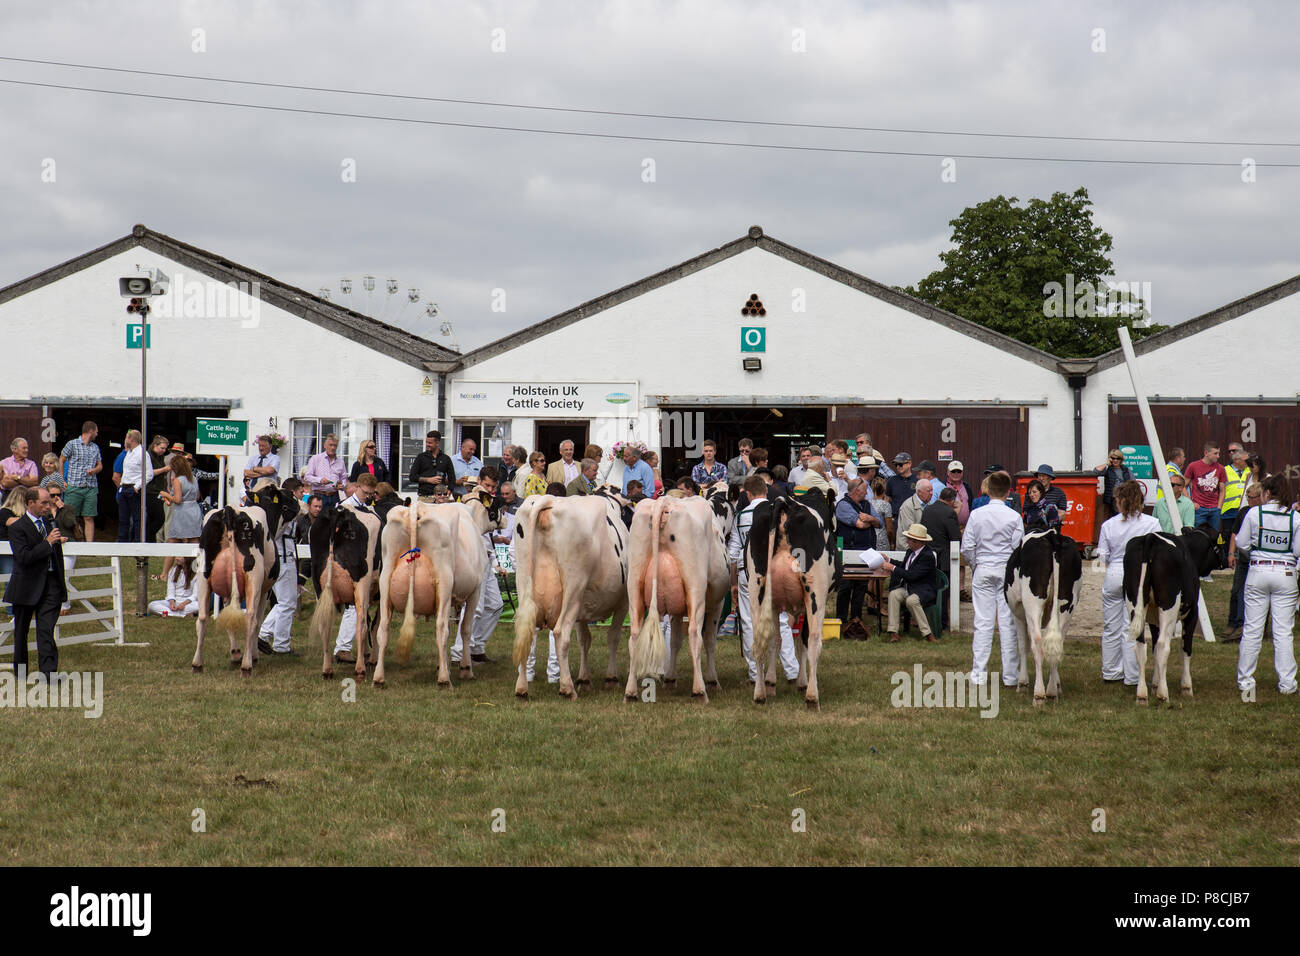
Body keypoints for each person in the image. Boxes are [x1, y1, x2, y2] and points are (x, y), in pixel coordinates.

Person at [1233, 473, 1300, 699]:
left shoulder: (1254, 513)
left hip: (1258, 571)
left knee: (1252, 629)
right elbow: (1298, 551)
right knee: (1283, 632)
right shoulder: (1295, 517)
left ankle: (1246, 682)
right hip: (1286, 573)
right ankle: (1287, 683)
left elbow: (1241, 543)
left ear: (1267, 493)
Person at [729, 475, 799, 683]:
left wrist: (733, 580)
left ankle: (755, 672)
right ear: (766, 491)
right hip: (777, 570)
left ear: (747, 494)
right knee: (783, 620)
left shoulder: (741, 515)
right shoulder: (779, 513)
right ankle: (792, 670)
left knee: (750, 621)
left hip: (748, 572)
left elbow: (734, 552)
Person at [1096, 480, 1161, 686]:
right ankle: (1132, 675)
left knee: (1111, 626)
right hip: (1138, 574)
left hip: (1114, 572)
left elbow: (1102, 555)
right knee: (1131, 626)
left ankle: (1111, 671)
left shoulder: (1108, 525)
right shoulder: (1152, 523)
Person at [961, 470, 1022, 688]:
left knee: (983, 623)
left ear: (988, 490)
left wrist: (977, 565)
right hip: (1005, 569)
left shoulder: (977, 514)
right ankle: (1010, 675)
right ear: (1008, 492)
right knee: (1007, 624)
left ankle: (978, 674)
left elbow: (967, 547)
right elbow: (1017, 548)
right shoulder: (1014, 516)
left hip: (984, 568)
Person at [4, 487, 68, 679]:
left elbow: (57, 557)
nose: (48, 507)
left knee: (46, 630)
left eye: (49, 502)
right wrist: (47, 543)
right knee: (21, 632)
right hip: (26, 585)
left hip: (50, 584)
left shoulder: (50, 523)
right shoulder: (17, 528)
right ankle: (21, 672)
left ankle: (48, 674)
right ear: (30, 503)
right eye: (44, 503)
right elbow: (24, 557)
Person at [451, 466, 503, 666]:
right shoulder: (470, 500)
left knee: (496, 605)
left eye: (493, 486)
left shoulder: (487, 501)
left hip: (488, 556)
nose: (490, 489)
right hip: (474, 557)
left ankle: (476, 647)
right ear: (480, 480)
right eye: (487, 484)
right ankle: (459, 652)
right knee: (477, 607)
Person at [257, 477, 308, 655]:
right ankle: (281, 644)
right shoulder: (285, 507)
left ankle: (263, 635)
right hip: (283, 556)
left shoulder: (276, 507)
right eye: (301, 491)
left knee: (285, 601)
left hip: (281, 554)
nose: (303, 495)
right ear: (293, 491)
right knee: (287, 602)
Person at [834, 478, 882, 639]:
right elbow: (859, 524)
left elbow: (879, 522)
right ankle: (841, 620)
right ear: (856, 491)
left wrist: (870, 518)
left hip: (865, 554)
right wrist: (868, 521)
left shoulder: (867, 505)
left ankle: (856, 619)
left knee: (861, 587)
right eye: (864, 489)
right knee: (845, 587)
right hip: (847, 553)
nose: (867, 492)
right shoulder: (842, 506)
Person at [883, 523, 938, 643]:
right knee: (894, 594)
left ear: (917, 542)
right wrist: (889, 560)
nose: (907, 541)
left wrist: (892, 568)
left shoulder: (927, 556)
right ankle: (893, 632)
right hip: (910, 588)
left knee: (911, 600)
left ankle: (928, 634)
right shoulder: (910, 552)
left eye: (909, 539)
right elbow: (905, 567)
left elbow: (912, 575)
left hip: (924, 590)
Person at [1223, 482, 1264, 643]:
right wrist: (1231, 553)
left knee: (1252, 593)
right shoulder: (1244, 512)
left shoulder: (1262, 513)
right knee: (1236, 590)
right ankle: (1232, 622)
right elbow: (1235, 533)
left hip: (1257, 559)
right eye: (1247, 496)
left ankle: (1244, 624)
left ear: (1260, 498)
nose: (1248, 499)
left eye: (1251, 497)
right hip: (1243, 558)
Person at [159, 451, 202, 583]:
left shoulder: (178, 480)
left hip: (182, 513)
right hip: (194, 510)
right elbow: (197, 496)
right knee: (194, 542)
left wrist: (165, 495)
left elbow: (177, 499)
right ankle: (195, 571)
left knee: (172, 542)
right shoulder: (193, 479)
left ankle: (165, 573)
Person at [59, 420, 102, 542]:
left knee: (89, 517)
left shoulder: (95, 447)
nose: (97, 434)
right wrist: (62, 480)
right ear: (91, 431)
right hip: (74, 486)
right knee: (69, 516)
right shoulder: (72, 444)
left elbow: (100, 465)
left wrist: (94, 470)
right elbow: (61, 459)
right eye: (96, 431)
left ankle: (89, 546)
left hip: (91, 487)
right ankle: (70, 541)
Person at [118, 429, 153, 543]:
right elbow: (126, 471)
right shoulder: (129, 452)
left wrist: (136, 487)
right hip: (125, 487)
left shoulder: (142, 453)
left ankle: (138, 542)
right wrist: (121, 485)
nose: (125, 440)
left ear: (131, 439)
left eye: (127, 438)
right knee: (123, 518)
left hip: (134, 488)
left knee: (137, 518)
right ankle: (122, 541)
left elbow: (149, 473)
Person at [1184, 443, 1228, 533]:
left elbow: (1222, 490)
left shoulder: (1221, 468)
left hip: (1214, 508)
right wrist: (1190, 502)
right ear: (1206, 453)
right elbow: (1183, 485)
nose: (1218, 456)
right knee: (1198, 535)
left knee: (1214, 536)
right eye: (1215, 453)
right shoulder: (1193, 466)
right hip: (1199, 508)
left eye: (1219, 453)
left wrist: (1219, 507)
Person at [922, 487, 962, 576]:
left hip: (928, 553)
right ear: (952, 500)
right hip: (944, 557)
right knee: (945, 587)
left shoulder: (927, 509)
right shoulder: (950, 512)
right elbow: (955, 537)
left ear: (940, 496)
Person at [303, 433, 347, 510]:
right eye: (330, 445)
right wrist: (320, 480)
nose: (333, 447)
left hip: (335, 496)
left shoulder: (340, 462)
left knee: (335, 520)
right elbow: (307, 477)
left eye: (335, 445)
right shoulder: (315, 459)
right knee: (319, 520)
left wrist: (342, 485)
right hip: (319, 496)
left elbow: (344, 478)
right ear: (325, 445)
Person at [409, 430, 455, 502]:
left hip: (441, 499)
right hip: (424, 498)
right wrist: (428, 480)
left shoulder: (446, 458)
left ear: (437, 443)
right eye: (426, 442)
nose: (427, 444)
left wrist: (449, 490)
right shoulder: (421, 457)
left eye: (430, 443)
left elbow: (452, 478)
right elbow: (412, 477)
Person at [1093, 449, 1134, 528]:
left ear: (1121, 459)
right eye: (1113, 458)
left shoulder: (1125, 470)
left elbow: (1133, 482)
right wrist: (1107, 464)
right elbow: (1095, 472)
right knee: (1119, 517)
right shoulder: (1108, 469)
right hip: (1114, 498)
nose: (1115, 460)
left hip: (1126, 497)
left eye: (1117, 458)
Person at [144, 434, 172, 546]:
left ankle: (150, 540)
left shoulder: (160, 457)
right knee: (159, 517)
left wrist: (166, 489)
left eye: (165, 449)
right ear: (155, 445)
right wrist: (165, 469)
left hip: (159, 491)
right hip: (150, 491)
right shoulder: (147, 456)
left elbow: (163, 477)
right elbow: (149, 473)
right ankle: (148, 537)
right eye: (162, 448)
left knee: (157, 518)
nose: (163, 451)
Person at [1219, 444, 1250, 541]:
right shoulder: (1224, 470)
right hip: (1228, 510)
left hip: (1245, 509)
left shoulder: (1250, 470)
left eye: (1234, 451)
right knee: (1227, 537)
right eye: (1229, 451)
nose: (1231, 453)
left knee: (1244, 537)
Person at [886, 452, 917, 518]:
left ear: (909, 464)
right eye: (896, 464)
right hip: (896, 516)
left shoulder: (917, 480)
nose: (898, 467)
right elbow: (887, 499)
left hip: (913, 516)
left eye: (900, 464)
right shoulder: (892, 481)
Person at [942, 461, 972, 527]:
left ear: (962, 473)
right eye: (953, 471)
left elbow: (970, 504)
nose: (956, 473)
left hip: (966, 527)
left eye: (959, 471)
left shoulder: (967, 486)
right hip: (949, 526)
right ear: (948, 472)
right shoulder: (942, 486)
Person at [869, 476, 894, 550]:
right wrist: (892, 543)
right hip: (882, 540)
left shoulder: (867, 503)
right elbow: (890, 529)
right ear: (884, 489)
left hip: (869, 538)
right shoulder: (886, 505)